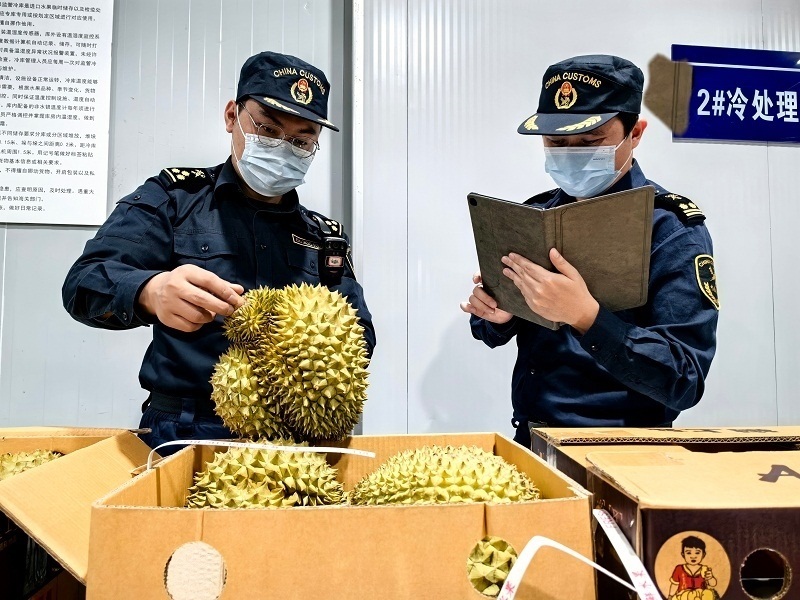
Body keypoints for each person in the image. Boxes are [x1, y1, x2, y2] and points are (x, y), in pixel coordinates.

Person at [63, 51, 375, 453]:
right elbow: (83, 284)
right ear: (232, 116)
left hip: (296, 439)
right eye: (268, 128)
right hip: (184, 430)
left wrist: (316, 354)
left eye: (301, 140)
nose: (283, 147)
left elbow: (359, 334)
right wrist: (150, 292)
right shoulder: (172, 199)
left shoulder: (323, 236)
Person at [460, 55, 718, 448]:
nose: (570, 154)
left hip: (625, 451)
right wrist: (500, 313)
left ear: (635, 133)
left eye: (589, 141)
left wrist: (587, 318)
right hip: (531, 440)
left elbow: (684, 379)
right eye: (556, 143)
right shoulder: (533, 215)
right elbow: (487, 333)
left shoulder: (671, 230)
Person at [668, 536, 718, 600]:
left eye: (697, 553)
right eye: (689, 553)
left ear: (703, 555)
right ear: (683, 555)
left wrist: (710, 577)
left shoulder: (704, 570)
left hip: (701, 597)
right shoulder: (679, 569)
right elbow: (674, 585)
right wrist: (670, 596)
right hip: (683, 597)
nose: (693, 556)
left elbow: (713, 584)